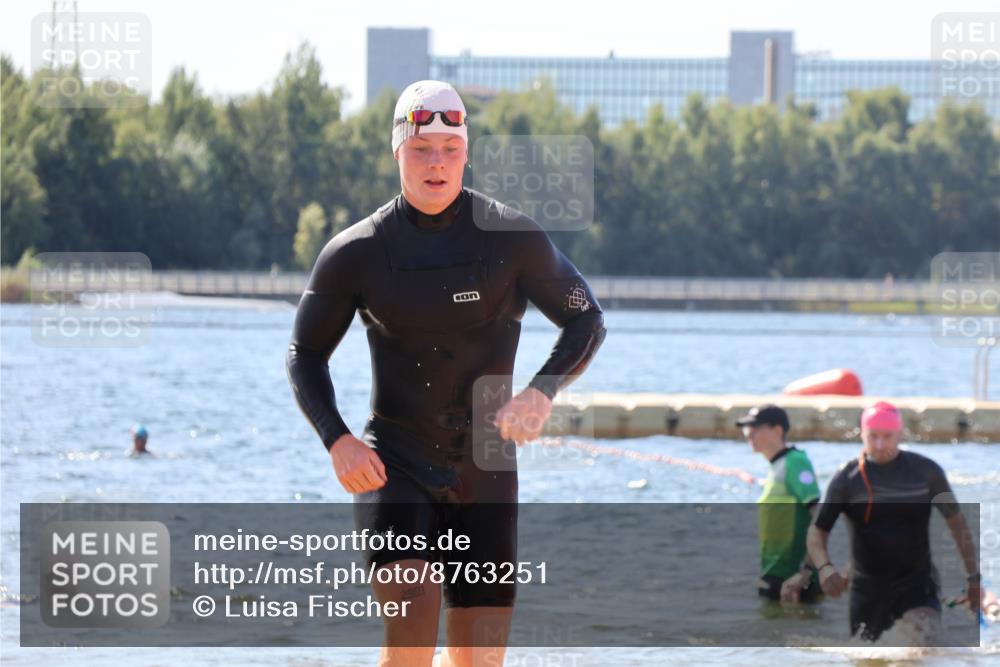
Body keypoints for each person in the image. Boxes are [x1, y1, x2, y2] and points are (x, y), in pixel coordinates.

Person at [286, 80, 606, 667]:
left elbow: (586, 320)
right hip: (394, 465)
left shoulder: (512, 238)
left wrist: (541, 391)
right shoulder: (356, 251)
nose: (436, 162)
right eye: (421, 149)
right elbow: (304, 354)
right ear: (397, 151)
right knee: (413, 622)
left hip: (486, 470)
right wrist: (337, 440)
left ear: (466, 152)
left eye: (450, 149)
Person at [806, 401, 981, 643]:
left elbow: (958, 526)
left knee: (923, 642)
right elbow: (817, 531)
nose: (879, 445)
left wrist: (973, 578)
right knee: (870, 656)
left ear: (900, 434)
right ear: (861, 434)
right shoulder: (847, 480)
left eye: (887, 436)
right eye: (872, 436)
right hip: (867, 591)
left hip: (918, 584)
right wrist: (824, 567)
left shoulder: (927, 473)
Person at [737, 404, 822, 604]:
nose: (749, 433)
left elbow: (820, 517)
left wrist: (806, 571)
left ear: (777, 430)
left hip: (793, 580)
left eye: (755, 428)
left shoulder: (795, 462)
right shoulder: (776, 465)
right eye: (747, 428)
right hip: (775, 573)